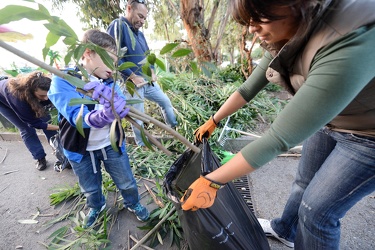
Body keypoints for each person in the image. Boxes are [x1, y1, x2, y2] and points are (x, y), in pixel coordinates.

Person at [180, 0, 375, 249]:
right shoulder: (290, 33)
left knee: (317, 212)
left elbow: (277, 139)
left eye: (259, 16)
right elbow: (247, 88)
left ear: (296, 4)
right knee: (303, 182)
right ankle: (286, 230)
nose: (251, 28)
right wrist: (214, 120)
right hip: (331, 119)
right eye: (248, 20)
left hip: (368, 137)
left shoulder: (347, 38)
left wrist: (212, 181)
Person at [48, 29, 149, 228]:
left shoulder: (109, 80)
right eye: (109, 60)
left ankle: (133, 203)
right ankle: (96, 206)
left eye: (116, 62)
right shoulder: (63, 79)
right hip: (80, 149)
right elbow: (74, 114)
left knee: (126, 180)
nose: (114, 67)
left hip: (110, 143)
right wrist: (99, 116)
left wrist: (117, 103)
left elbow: (118, 100)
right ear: (87, 53)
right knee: (90, 187)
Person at [107, 0, 178, 147]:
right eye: (140, 16)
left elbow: (148, 54)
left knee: (165, 102)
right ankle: (142, 146)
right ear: (129, 9)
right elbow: (111, 56)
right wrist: (132, 76)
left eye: (144, 18)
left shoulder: (139, 34)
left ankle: (174, 130)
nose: (142, 21)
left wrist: (151, 70)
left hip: (148, 82)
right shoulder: (118, 26)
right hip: (132, 84)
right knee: (138, 118)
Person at [0, 72, 59, 170]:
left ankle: (60, 153)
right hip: (4, 101)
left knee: (47, 121)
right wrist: (61, 127)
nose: (46, 98)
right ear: (31, 92)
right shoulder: (18, 98)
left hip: (27, 98)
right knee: (26, 129)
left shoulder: (45, 88)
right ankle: (40, 157)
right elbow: (35, 123)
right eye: (42, 96)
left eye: (47, 95)